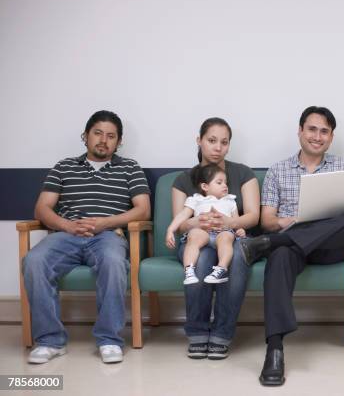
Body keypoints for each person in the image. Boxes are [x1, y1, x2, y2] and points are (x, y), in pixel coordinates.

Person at [239, 106, 344, 386]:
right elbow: (267, 219)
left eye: (324, 131)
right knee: (280, 257)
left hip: (328, 247)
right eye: (312, 129)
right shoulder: (278, 170)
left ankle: (266, 245)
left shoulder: (343, 167)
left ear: (331, 137)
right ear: (300, 131)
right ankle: (274, 350)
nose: (317, 136)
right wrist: (294, 222)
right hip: (292, 246)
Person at [23, 110, 151, 364]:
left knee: (114, 263)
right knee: (34, 261)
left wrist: (107, 222)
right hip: (66, 235)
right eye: (98, 133)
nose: (104, 140)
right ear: (85, 136)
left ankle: (109, 340)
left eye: (111, 136)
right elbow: (42, 208)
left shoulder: (130, 168)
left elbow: (143, 209)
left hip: (107, 236)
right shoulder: (64, 166)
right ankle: (50, 340)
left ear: (119, 141)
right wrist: (67, 226)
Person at [172, 117, 260, 360]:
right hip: (196, 239)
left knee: (237, 256)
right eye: (211, 140)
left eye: (224, 142)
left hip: (231, 237)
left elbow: (252, 216)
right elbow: (180, 225)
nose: (217, 147)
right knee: (201, 260)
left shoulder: (243, 173)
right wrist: (199, 222)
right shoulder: (183, 179)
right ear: (199, 140)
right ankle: (197, 332)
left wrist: (229, 223)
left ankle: (222, 333)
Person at [167, 164, 246, 284]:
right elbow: (182, 215)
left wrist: (240, 229)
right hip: (203, 232)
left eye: (226, 183)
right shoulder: (197, 199)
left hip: (222, 232)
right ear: (205, 186)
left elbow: (235, 220)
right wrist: (170, 230)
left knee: (226, 237)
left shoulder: (230, 201)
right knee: (194, 235)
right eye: (219, 182)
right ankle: (189, 270)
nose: (225, 185)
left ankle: (221, 268)